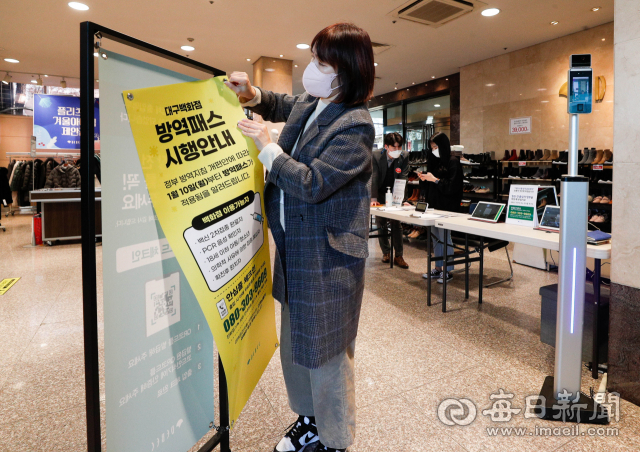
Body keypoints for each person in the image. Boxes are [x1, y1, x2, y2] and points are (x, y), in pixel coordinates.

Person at [225, 22, 375, 452]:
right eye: (313, 58)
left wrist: (268, 150)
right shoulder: (316, 101)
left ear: (344, 70)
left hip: (329, 257)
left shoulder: (356, 125)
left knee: (327, 351)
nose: (312, 69)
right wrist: (251, 95)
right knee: (296, 343)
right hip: (296, 248)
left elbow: (312, 183)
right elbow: (284, 102)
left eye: (321, 62)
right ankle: (308, 419)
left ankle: (335, 437)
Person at [417, 132, 463, 283]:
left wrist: (435, 180)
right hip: (434, 206)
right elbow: (432, 185)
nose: (434, 150)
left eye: (436, 146)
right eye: (432, 147)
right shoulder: (436, 161)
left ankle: (447, 269)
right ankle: (438, 268)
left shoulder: (453, 162)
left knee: (444, 236)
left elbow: (453, 187)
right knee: (435, 236)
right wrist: (424, 179)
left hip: (447, 207)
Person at [371, 132, 410, 268]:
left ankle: (399, 255)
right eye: (394, 147)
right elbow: (374, 177)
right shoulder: (376, 155)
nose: (397, 150)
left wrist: (402, 198)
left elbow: (403, 177)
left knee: (396, 222)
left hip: (395, 191)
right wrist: (373, 198)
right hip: (381, 191)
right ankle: (386, 253)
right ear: (386, 146)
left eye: (399, 147)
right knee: (381, 222)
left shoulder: (404, 156)